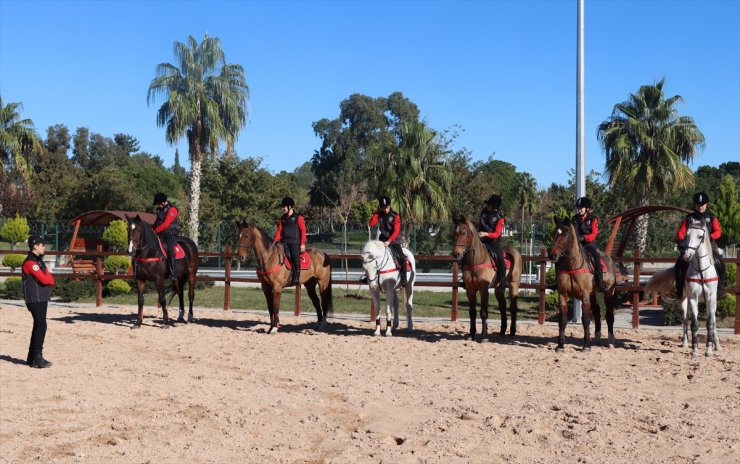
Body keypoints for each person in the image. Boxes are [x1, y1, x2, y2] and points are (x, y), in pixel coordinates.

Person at [675, 191, 725, 300]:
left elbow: (718, 232)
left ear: (706, 205)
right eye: (698, 204)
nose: (700, 207)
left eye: (702, 205)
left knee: (720, 263)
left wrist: (710, 237)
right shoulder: (689, 218)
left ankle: (720, 289)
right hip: (691, 247)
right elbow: (680, 232)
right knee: (678, 264)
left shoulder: (712, 218)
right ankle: (679, 289)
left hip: (709, 247)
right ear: (695, 205)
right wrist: (682, 242)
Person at [22, 235, 55, 368]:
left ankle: (32, 357)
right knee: (41, 325)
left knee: (39, 325)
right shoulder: (30, 263)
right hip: (34, 298)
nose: (44, 246)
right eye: (42, 244)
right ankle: (37, 357)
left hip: (41, 297)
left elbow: (50, 280)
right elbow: (46, 279)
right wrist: (46, 277)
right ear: (35, 246)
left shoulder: (39, 261)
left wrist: (46, 277)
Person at [368, 195, 407, 287]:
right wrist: (376, 212)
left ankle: (404, 278)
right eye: (383, 208)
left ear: (390, 206)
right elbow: (371, 224)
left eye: (387, 207)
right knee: (370, 256)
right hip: (381, 241)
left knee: (402, 258)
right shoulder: (379, 214)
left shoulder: (395, 216)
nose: (385, 210)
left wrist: (389, 241)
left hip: (393, 242)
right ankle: (368, 277)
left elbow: (396, 231)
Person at [572, 197, 607, 292]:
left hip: (588, 245)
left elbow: (594, 234)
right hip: (576, 245)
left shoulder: (593, 219)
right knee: (562, 258)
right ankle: (556, 282)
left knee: (596, 259)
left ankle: (600, 283)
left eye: (581, 208)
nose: (579, 210)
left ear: (587, 208)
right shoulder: (574, 219)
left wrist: (584, 238)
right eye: (578, 208)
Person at [273, 196, 306, 287]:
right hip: (283, 243)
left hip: (294, 243)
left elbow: (303, 231)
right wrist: (275, 241)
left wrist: (302, 244)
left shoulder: (298, 218)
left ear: (290, 207)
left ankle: (296, 277)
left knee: (295, 258)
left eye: (284, 207)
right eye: (282, 207)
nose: (282, 209)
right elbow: (279, 231)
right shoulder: (281, 219)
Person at [478, 194, 507, 288]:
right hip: (479, 239)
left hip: (492, 241)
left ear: (494, 206)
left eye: (489, 204)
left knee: (500, 258)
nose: (487, 206)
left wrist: (486, 234)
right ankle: (465, 278)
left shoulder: (500, 218)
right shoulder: (484, 212)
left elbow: (497, 234)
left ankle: (503, 281)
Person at [152, 192, 179, 280]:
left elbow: (166, 224)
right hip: (160, 233)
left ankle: (173, 272)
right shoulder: (159, 210)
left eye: (158, 204)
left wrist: (155, 231)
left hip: (170, 233)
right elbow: (156, 223)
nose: (157, 206)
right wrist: (151, 230)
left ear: (163, 202)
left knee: (170, 249)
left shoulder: (172, 210)